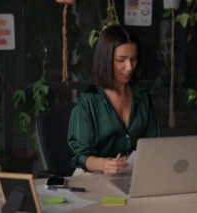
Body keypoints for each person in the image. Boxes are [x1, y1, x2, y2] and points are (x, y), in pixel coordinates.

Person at [67, 25, 161, 176]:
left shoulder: (143, 98)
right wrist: (103, 164)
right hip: (93, 176)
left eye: (134, 59)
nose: (129, 67)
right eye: (121, 60)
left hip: (133, 174)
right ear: (106, 59)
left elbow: (154, 146)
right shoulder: (89, 101)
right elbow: (81, 157)